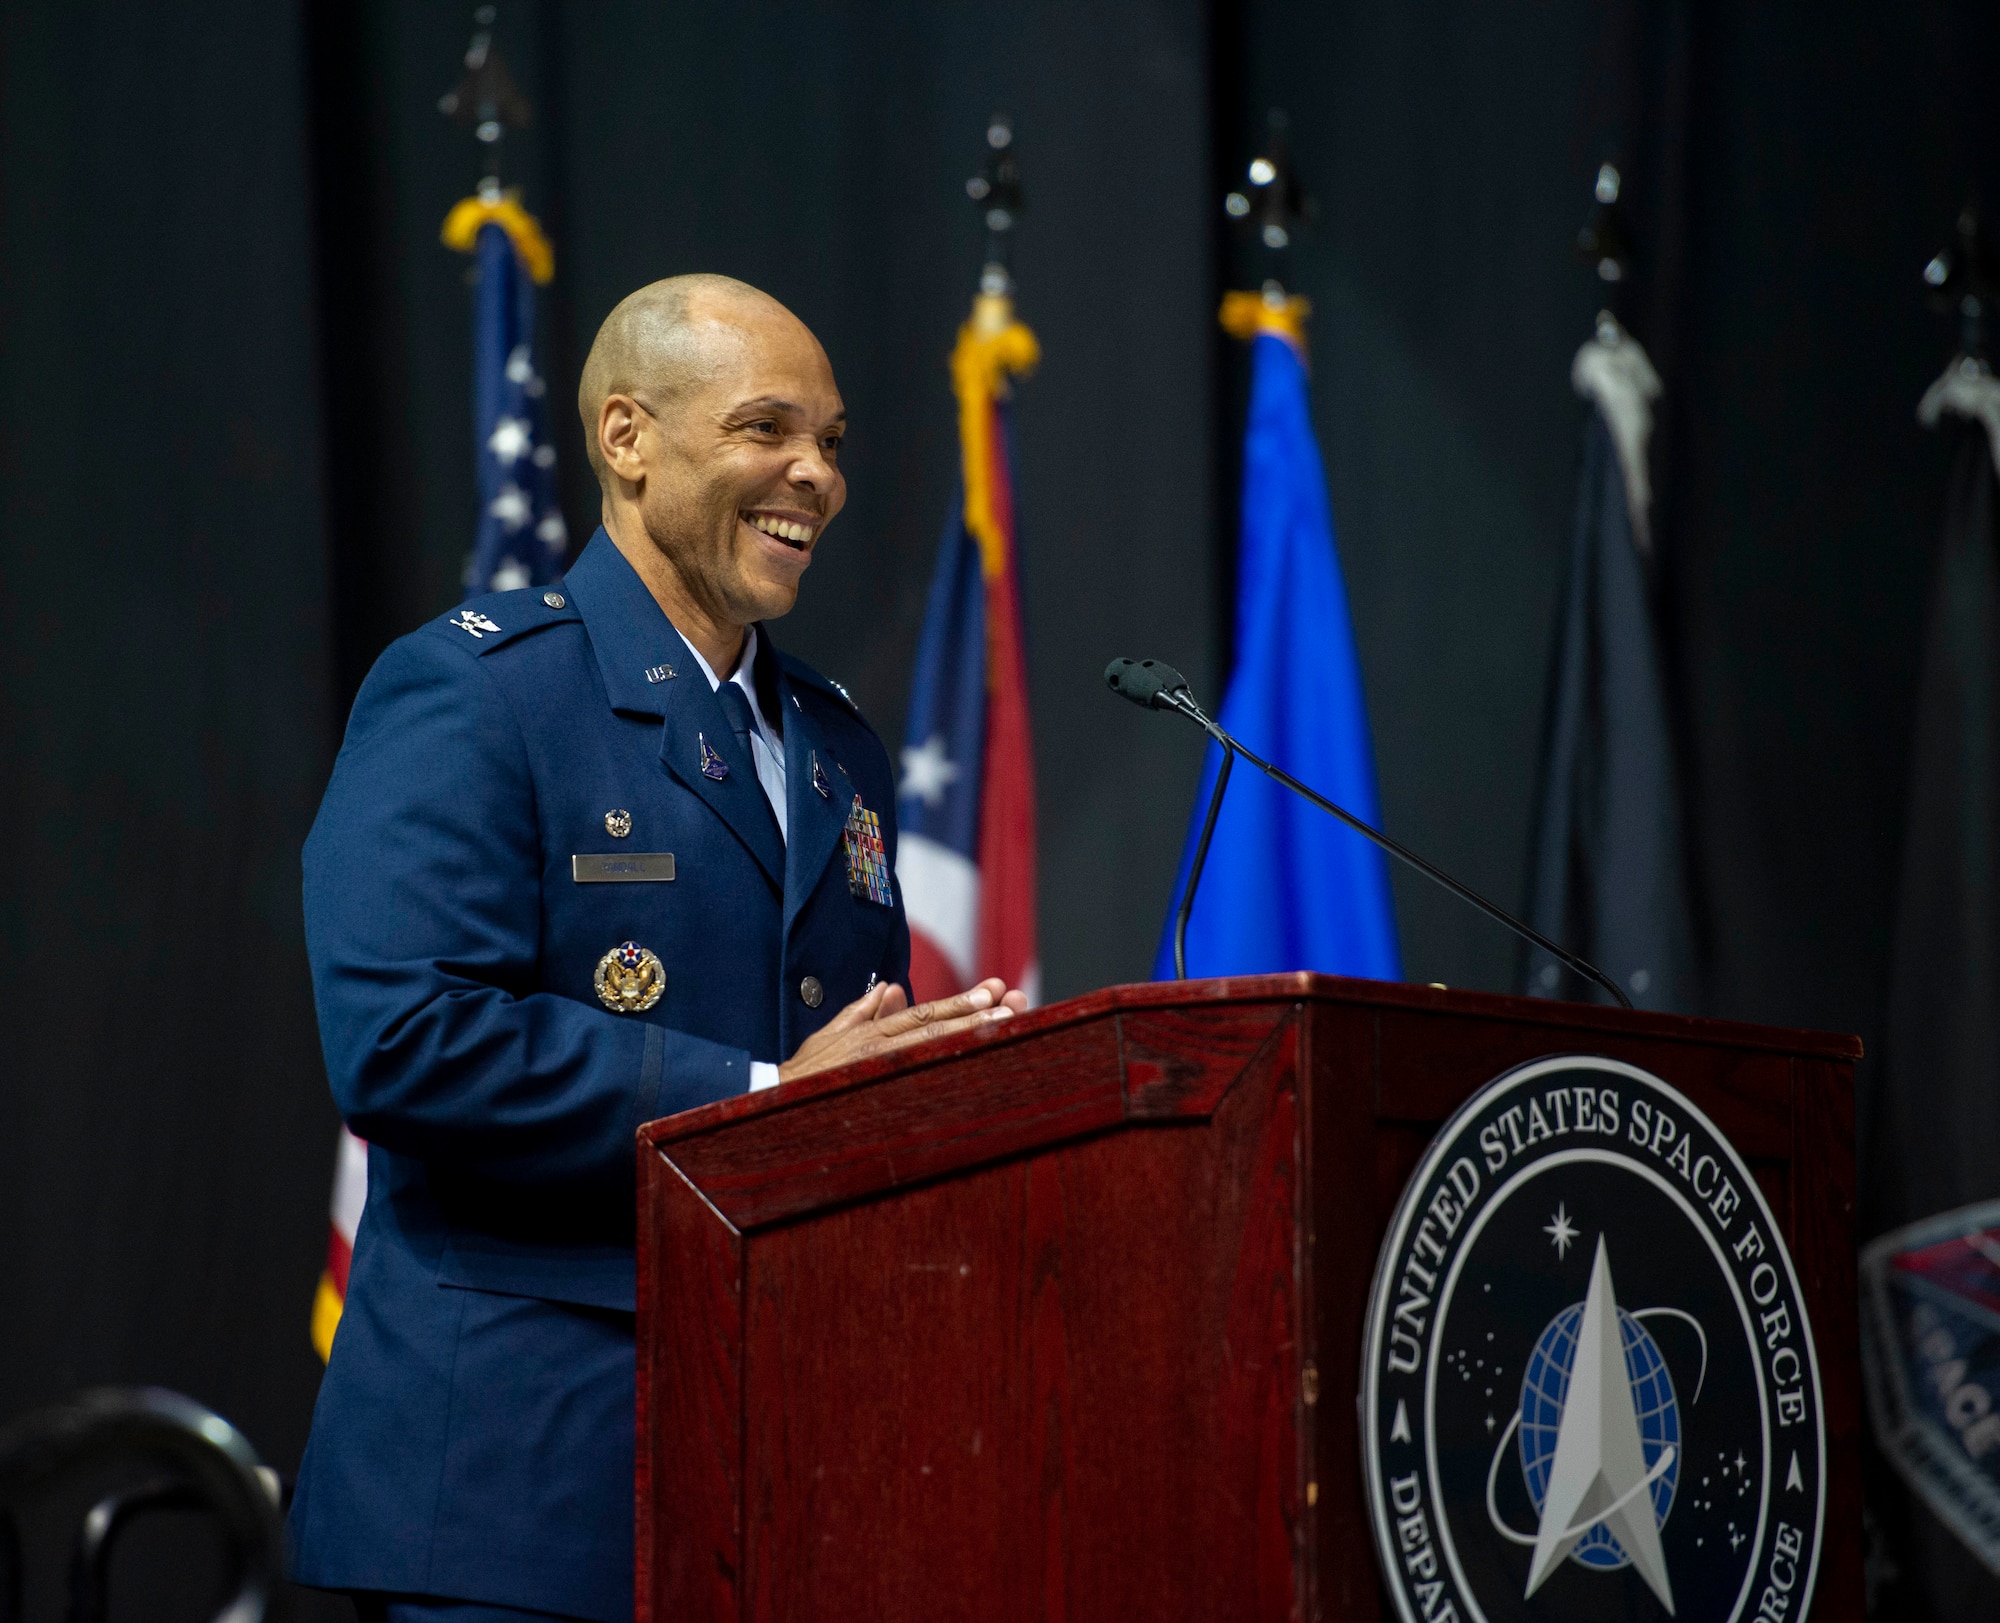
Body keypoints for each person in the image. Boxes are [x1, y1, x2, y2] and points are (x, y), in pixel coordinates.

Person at [289, 274, 1030, 1622]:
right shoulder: (478, 693)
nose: (817, 475)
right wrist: (760, 1106)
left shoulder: (836, 743)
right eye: (767, 429)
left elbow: (854, 1064)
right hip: (522, 1504)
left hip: (782, 1484)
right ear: (627, 437)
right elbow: (407, 1041)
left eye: (833, 440)